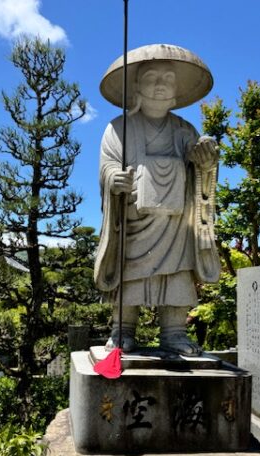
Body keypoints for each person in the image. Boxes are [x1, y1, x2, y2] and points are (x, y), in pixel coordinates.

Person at [95, 44, 220, 355]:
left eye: (169, 78)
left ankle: (175, 331)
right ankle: (123, 328)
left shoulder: (185, 130)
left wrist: (204, 159)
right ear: (136, 85)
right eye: (152, 77)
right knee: (129, 272)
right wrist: (114, 179)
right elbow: (107, 165)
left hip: (176, 222)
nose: (161, 84)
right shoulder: (118, 128)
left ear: (177, 90)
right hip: (133, 218)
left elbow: (199, 167)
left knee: (177, 273)